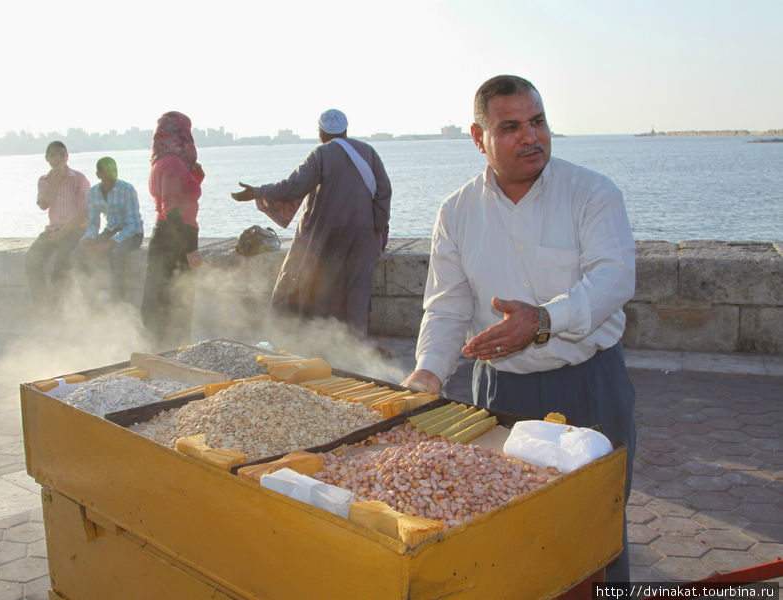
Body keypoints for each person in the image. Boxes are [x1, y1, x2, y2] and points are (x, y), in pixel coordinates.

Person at [400, 75, 636, 582]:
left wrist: (543, 320)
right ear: (477, 137)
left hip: (589, 383)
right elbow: (446, 306)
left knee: (595, 530)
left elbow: (613, 280)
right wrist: (427, 373)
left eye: (538, 121)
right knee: (508, 533)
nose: (531, 137)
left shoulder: (591, 193)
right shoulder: (456, 211)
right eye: (510, 127)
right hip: (499, 390)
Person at [231, 109, 392, 337]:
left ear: (321, 131)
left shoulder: (321, 154)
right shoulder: (368, 152)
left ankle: (308, 338)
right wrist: (376, 225)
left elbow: (294, 186)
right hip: (365, 237)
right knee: (357, 289)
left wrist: (257, 192)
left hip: (328, 235)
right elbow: (384, 191)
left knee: (314, 283)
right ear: (346, 130)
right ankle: (355, 346)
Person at [140, 112, 205, 346]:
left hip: (164, 235)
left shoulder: (160, 161)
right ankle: (174, 353)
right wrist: (189, 249)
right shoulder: (173, 162)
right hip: (175, 238)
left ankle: (162, 352)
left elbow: (175, 197)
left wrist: (194, 179)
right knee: (178, 301)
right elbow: (172, 208)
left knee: (163, 298)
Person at [26, 141, 89, 307]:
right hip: (54, 229)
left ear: (67, 157)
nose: (57, 159)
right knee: (32, 257)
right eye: (53, 155)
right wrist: (57, 181)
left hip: (75, 230)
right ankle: (41, 304)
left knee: (62, 258)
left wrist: (62, 234)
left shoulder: (78, 179)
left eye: (61, 155)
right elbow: (43, 204)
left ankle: (56, 306)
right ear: (47, 158)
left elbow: (83, 213)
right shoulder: (45, 181)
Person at [74, 157, 144, 301]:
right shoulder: (94, 192)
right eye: (107, 171)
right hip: (111, 230)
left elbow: (133, 225)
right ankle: (87, 298)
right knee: (79, 252)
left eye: (114, 170)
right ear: (98, 174)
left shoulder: (127, 189)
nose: (112, 174)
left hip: (133, 233)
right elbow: (93, 223)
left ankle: (117, 301)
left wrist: (109, 244)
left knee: (115, 253)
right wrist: (89, 239)